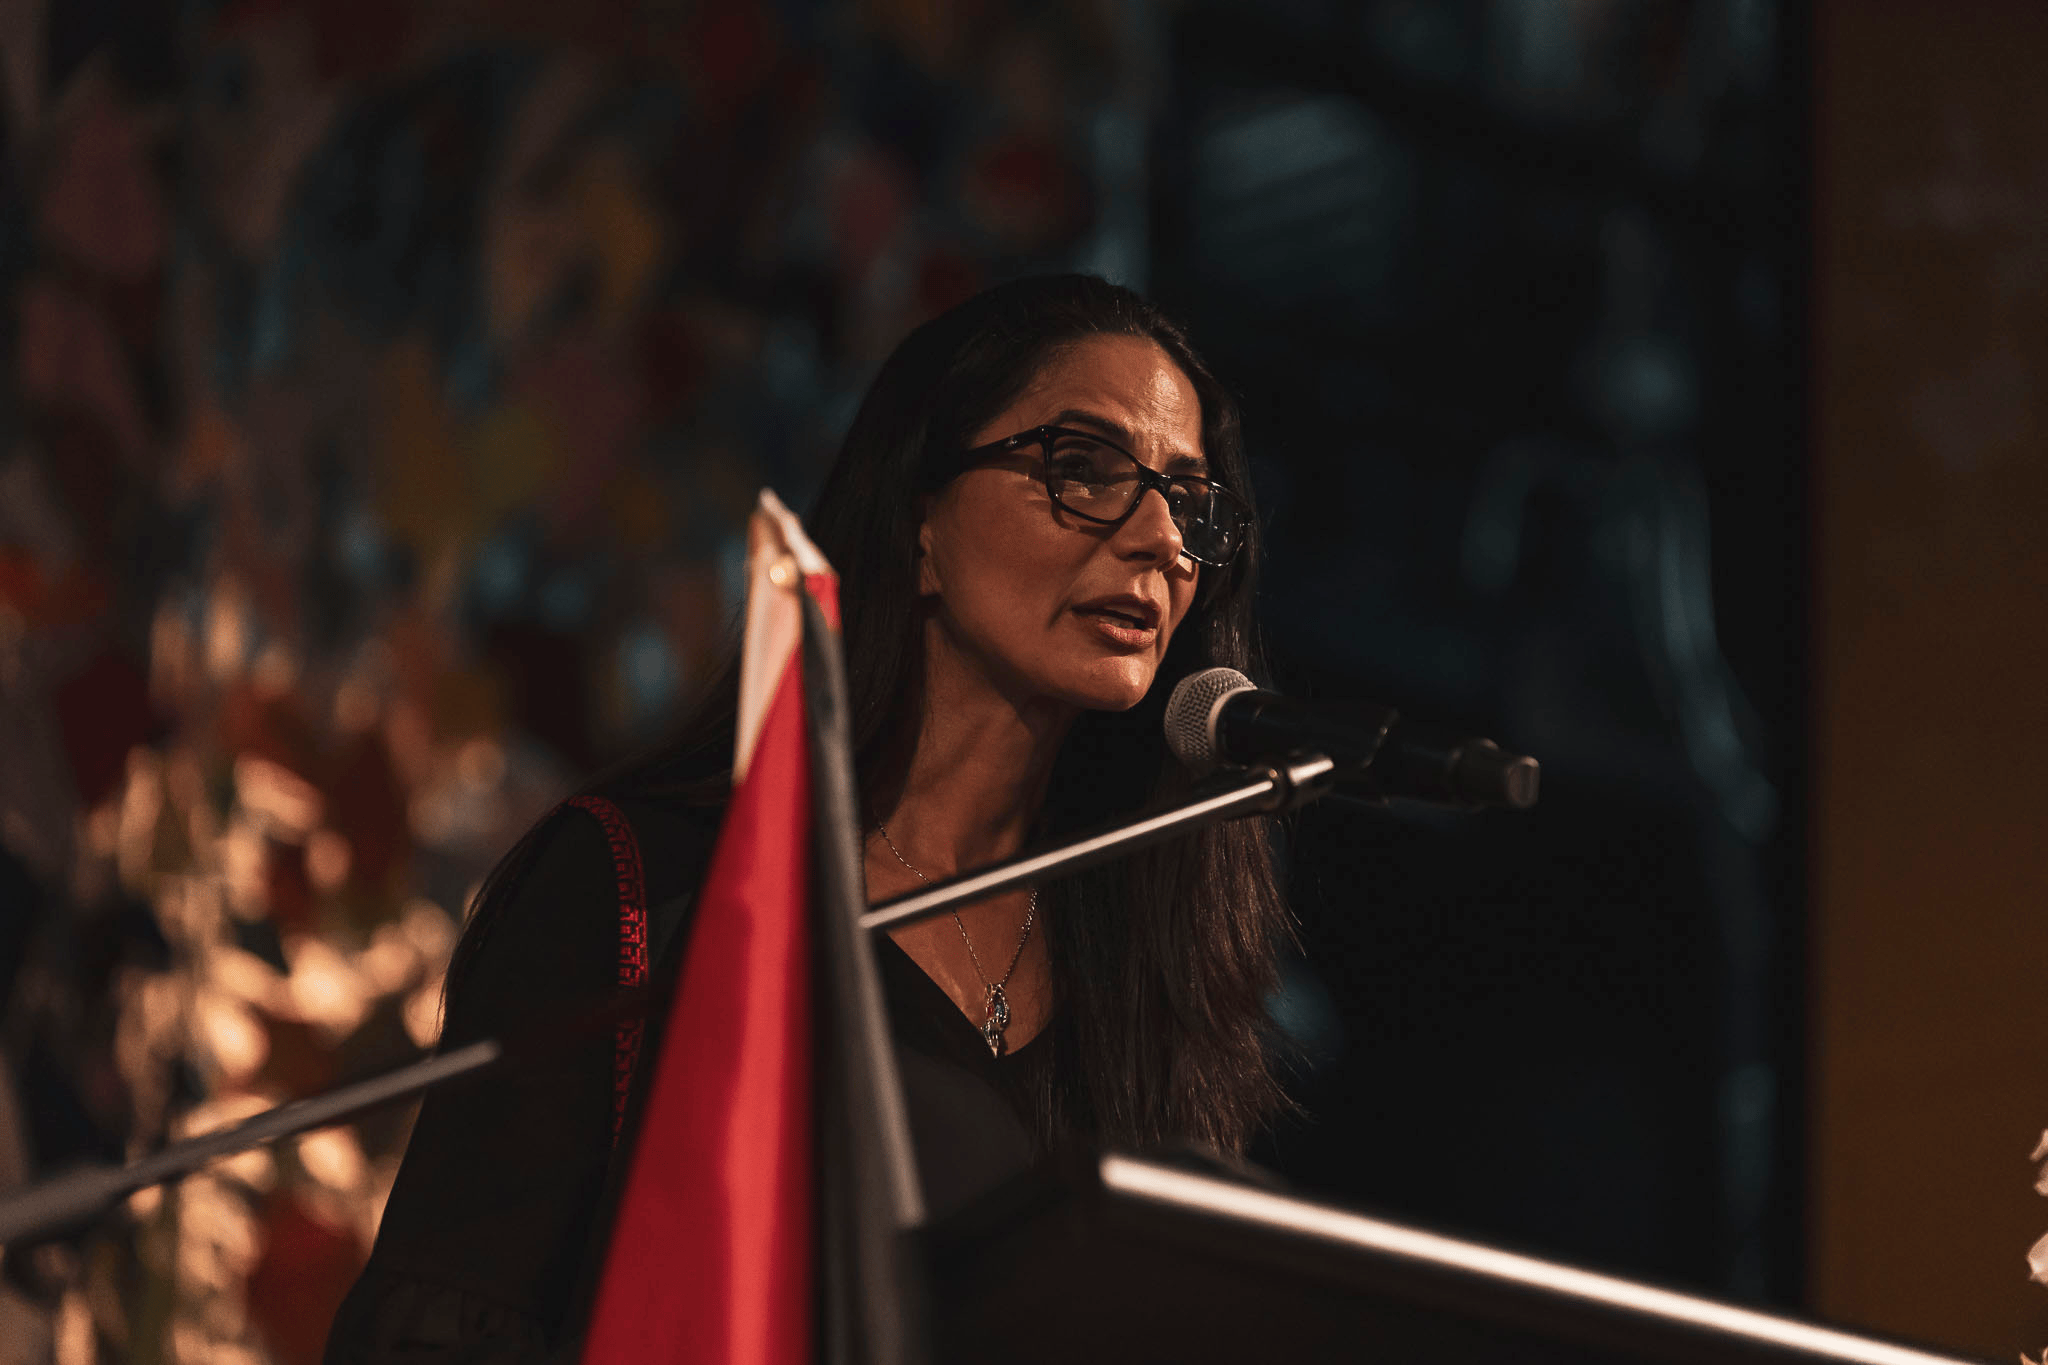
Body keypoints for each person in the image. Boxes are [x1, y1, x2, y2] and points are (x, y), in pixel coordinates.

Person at [322, 274, 1291, 1362]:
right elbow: (443, 1328)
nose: (1160, 540)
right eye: (1084, 469)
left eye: (1192, 504)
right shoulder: (646, 885)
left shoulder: (1145, 979)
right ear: (919, 515)